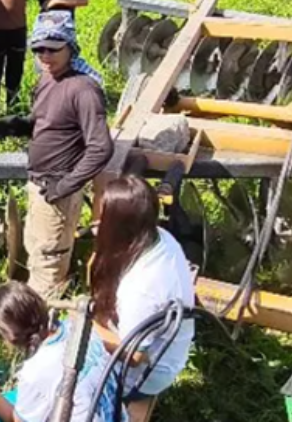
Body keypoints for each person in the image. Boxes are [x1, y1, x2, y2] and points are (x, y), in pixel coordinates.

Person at [3, 11, 111, 300]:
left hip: (57, 190)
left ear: (70, 47)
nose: (45, 56)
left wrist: (65, 186)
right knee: (36, 247)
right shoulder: (47, 78)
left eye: (53, 49)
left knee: (50, 260)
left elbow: (101, 147)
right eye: (38, 49)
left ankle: (45, 323)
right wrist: (22, 126)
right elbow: (52, 123)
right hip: (39, 185)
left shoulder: (84, 89)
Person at [0, 281, 125, 422]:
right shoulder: (79, 327)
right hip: (114, 415)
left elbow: (15, 419)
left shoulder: (35, 371)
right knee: (19, 396)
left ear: (9, 337)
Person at [90, 176, 195, 422]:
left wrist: (85, 325)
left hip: (147, 370)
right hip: (163, 346)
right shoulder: (158, 236)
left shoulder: (143, 288)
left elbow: (135, 356)